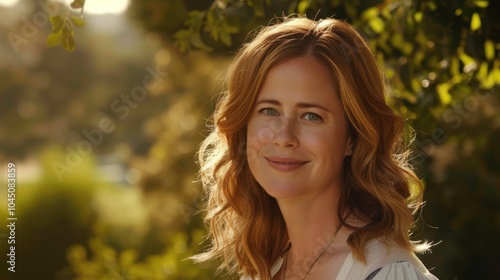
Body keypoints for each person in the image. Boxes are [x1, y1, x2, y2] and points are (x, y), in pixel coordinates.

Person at [193, 16, 438, 280]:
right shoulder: (264, 270)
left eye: (311, 116)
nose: (284, 137)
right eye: (268, 111)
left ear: (353, 137)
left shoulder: (385, 273)